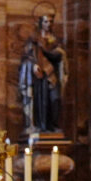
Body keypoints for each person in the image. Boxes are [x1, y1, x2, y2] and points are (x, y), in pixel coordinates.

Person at [19, 8, 65, 137]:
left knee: (55, 99)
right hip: (39, 77)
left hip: (52, 74)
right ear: (41, 23)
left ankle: (54, 126)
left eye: (50, 21)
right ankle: (41, 126)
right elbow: (27, 56)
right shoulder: (35, 39)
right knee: (42, 101)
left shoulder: (55, 40)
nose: (48, 24)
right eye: (45, 21)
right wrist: (33, 65)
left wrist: (54, 53)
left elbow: (60, 55)